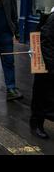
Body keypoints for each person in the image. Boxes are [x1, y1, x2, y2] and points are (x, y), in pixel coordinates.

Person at [31, 8, 54, 139]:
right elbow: (46, 42)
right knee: (41, 95)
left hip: (49, 62)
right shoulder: (52, 19)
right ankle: (36, 125)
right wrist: (51, 66)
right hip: (45, 62)